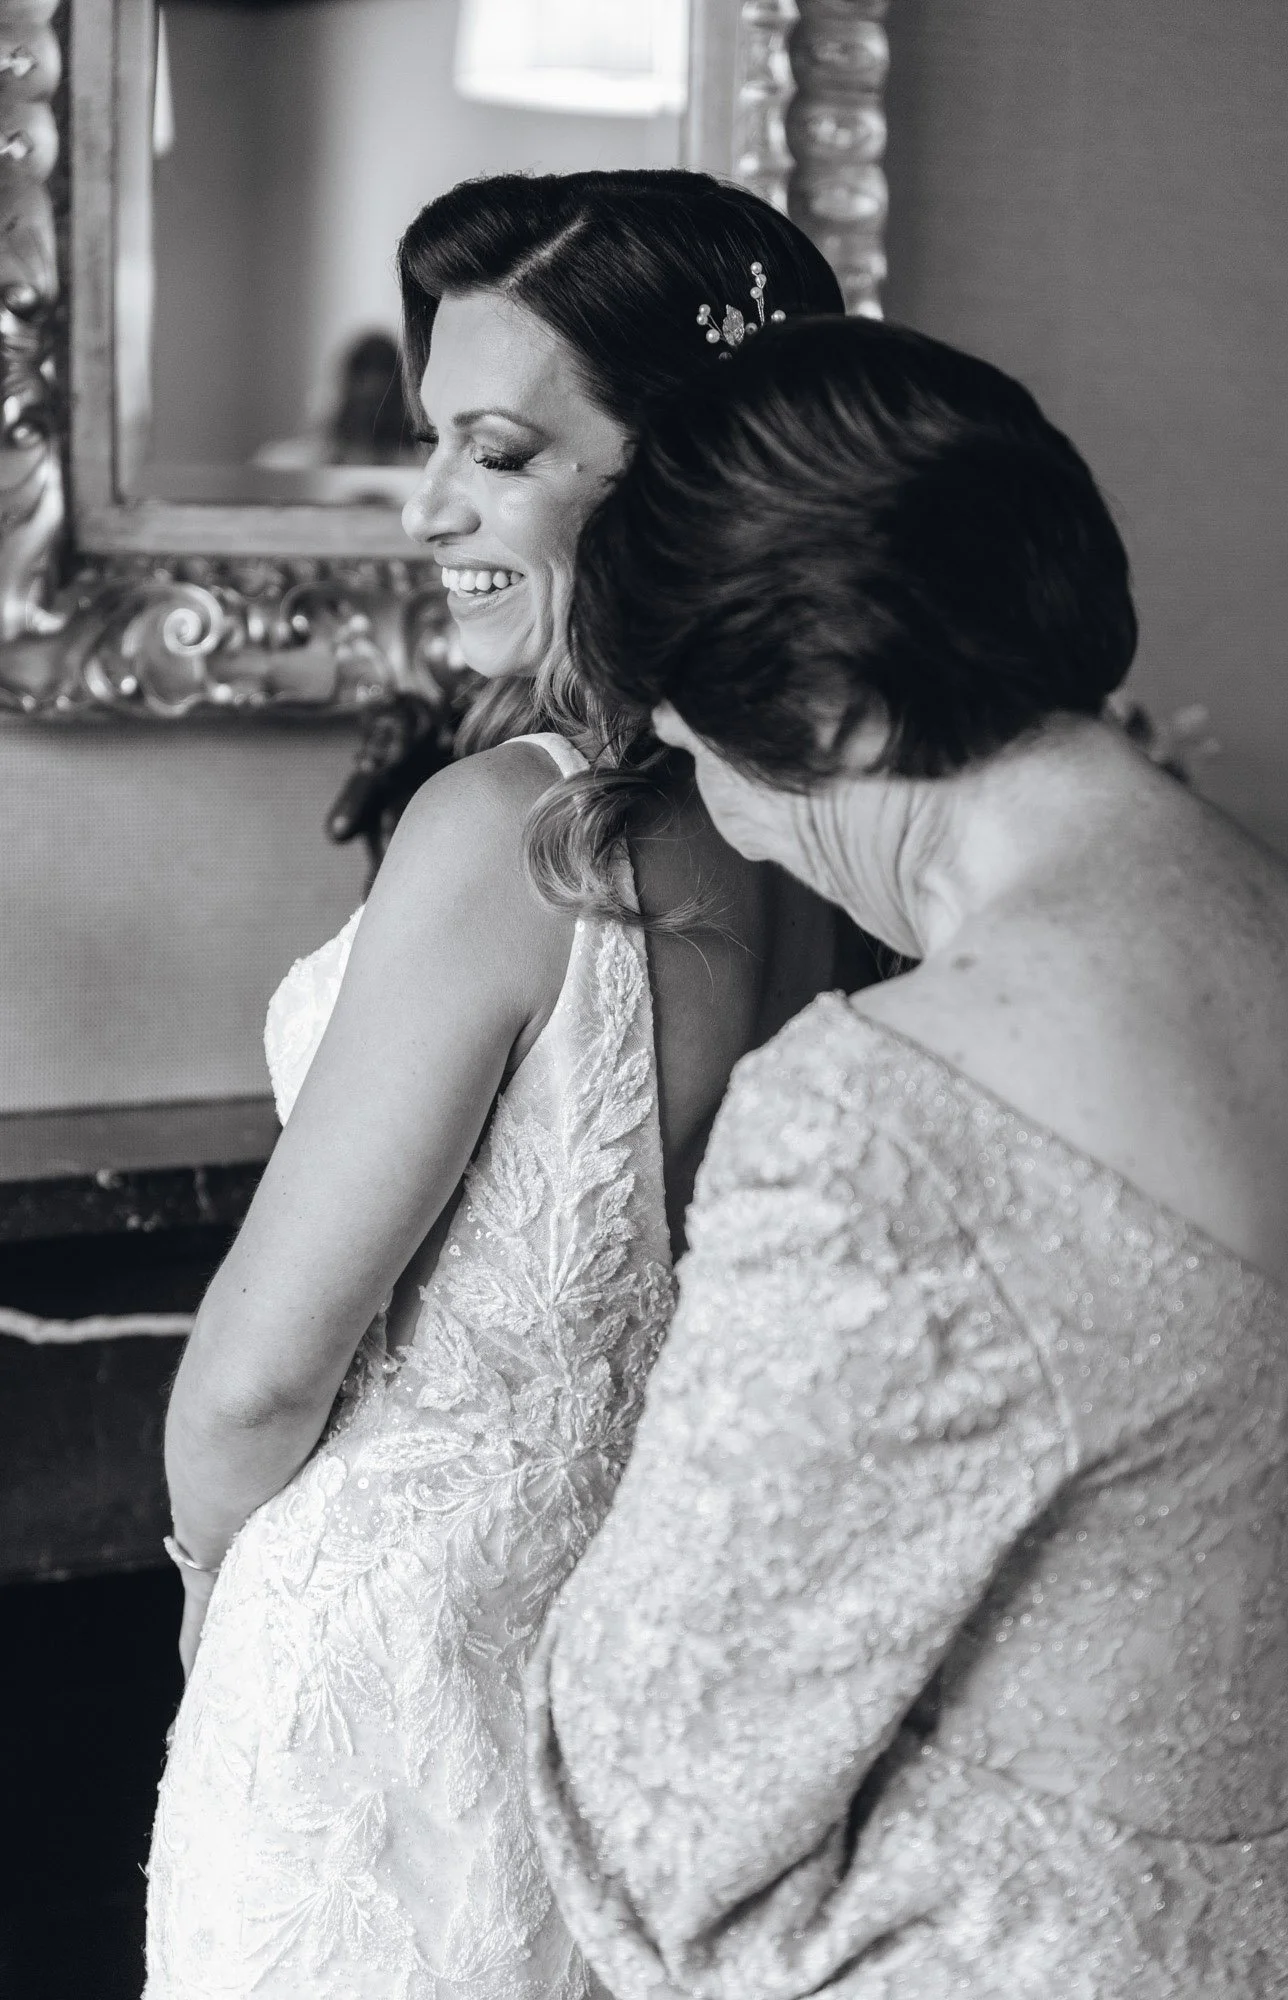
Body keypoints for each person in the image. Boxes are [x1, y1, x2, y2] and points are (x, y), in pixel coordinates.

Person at [526, 315, 1288, 1998]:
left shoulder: (887, 1120)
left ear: (828, 700)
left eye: (695, 755)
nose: (733, 824)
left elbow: (668, 1785)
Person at [143, 173, 844, 2000]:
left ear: (678, 479)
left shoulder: (504, 833)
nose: (428, 504)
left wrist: (216, 1582)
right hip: (623, 1666)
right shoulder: (823, 836)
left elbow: (258, 1373)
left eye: (500, 451)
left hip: (377, 1675)